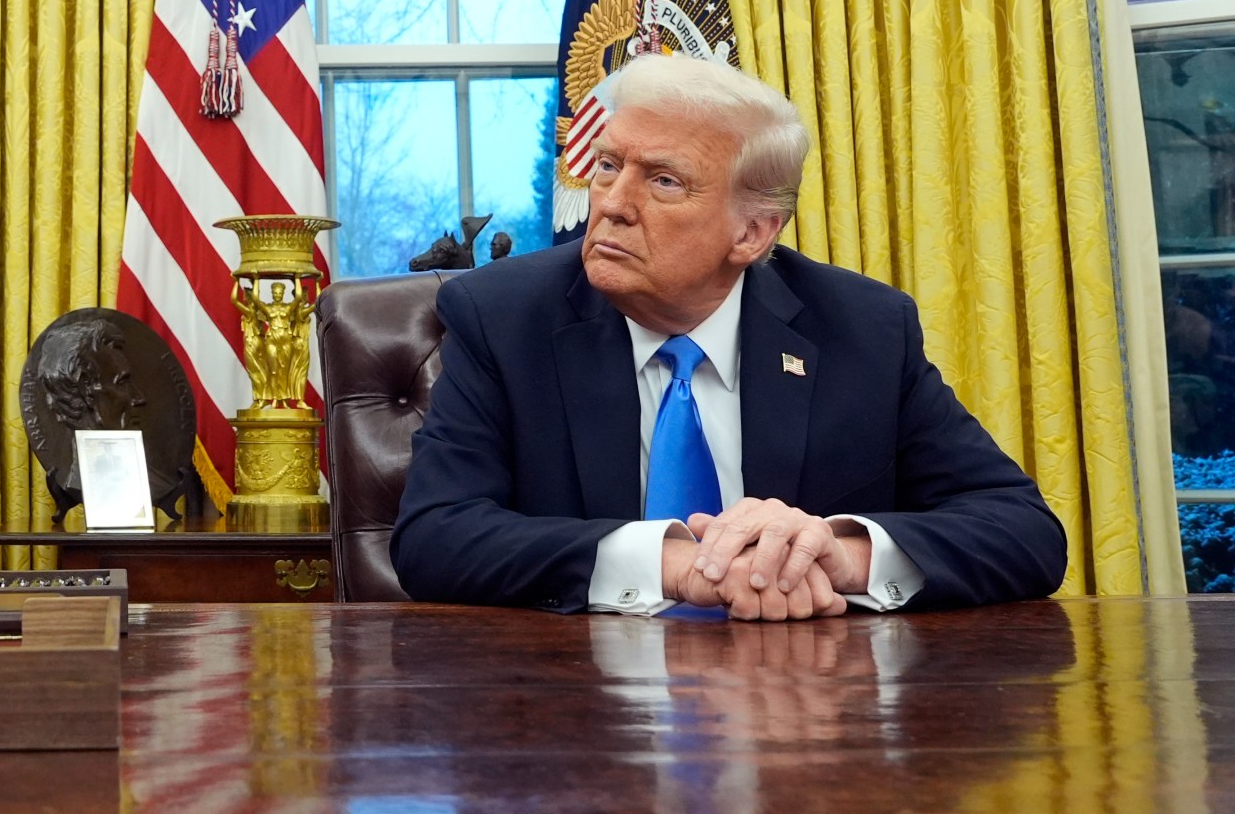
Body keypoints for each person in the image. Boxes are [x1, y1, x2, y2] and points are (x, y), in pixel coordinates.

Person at [392, 53, 1066, 619]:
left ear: (752, 233)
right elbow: (435, 539)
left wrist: (838, 553)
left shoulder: (862, 329)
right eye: (606, 166)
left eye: (663, 180)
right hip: (577, 721)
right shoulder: (505, 318)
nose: (614, 204)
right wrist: (679, 565)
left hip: (808, 725)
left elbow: (1025, 531)